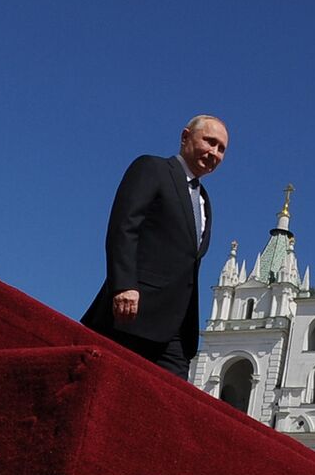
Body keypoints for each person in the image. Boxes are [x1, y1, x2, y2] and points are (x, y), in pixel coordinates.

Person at [82, 115, 229, 379]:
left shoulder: (205, 200)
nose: (215, 153)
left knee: (169, 402)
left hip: (176, 331)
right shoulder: (153, 169)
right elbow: (124, 226)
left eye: (221, 149)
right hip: (133, 312)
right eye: (210, 142)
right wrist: (124, 284)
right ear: (185, 137)